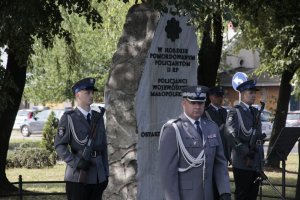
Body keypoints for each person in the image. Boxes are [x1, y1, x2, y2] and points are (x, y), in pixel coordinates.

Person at [158, 85, 231, 200]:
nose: (197, 106)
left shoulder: (212, 127)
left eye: (200, 103)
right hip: (185, 196)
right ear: (183, 103)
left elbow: (220, 162)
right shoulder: (174, 129)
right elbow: (168, 173)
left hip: (208, 195)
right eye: (193, 103)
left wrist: (224, 191)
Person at [54, 77, 109, 200]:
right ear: (78, 95)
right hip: (77, 177)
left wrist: (106, 173)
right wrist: (76, 162)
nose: (91, 95)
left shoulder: (98, 117)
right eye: (87, 92)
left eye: (92, 92)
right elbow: (59, 146)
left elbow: (103, 147)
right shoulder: (69, 118)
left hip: (98, 177)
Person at [225, 79, 264, 200]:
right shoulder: (235, 111)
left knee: (253, 195)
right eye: (250, 92)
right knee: (243, 195)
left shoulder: (255, 111)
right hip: (243, 161)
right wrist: (246, 152)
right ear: (242, 94)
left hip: (256, 160)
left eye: (254, 92)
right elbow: (230, 134)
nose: (253, 95)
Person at [205, 86, 231, 162]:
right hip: (213, 150)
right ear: (210, 97)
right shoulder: (206, 113)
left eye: (221, 96)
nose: (220, 98)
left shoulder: (224, 111)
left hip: (225, 150)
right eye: (217, 96)